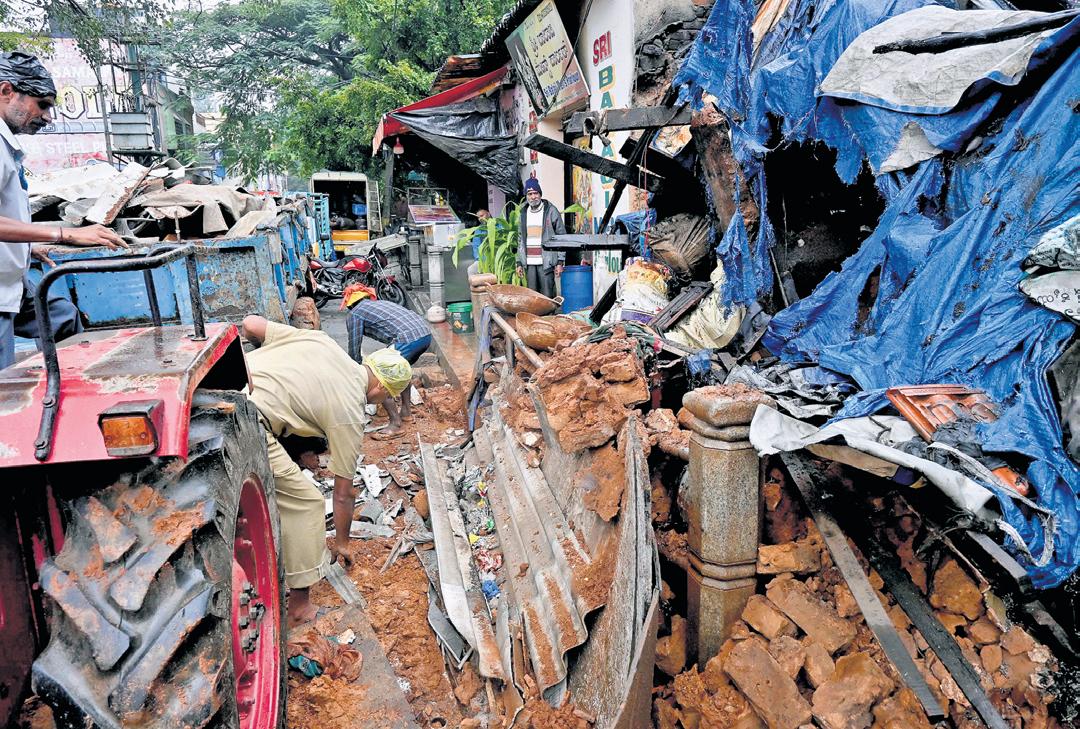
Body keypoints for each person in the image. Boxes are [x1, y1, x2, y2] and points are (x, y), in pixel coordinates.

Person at [241, 315, 411, 627]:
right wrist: (343, 542)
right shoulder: (350, 411)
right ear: (380, 389)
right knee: (307, 501)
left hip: (228, 392)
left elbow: (251, 324)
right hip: (250, 422)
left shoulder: (321, 341)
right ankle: (300, 605)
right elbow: (343, 494)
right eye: (386, 395)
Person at [0, 51, 127, 369]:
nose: (47, 117)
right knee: (5, 392)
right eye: (41, 105)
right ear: (6, 91)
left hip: (12, 281)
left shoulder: (7, 146)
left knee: (62, 318)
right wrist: (65, 233)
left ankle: (69, 399)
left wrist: (28, 247)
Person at [345, 297, 431, 436]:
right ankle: (406, 412)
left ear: (350, 305)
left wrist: (358, 374)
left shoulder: (355, 313)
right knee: (400, 372)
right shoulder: (377, 304)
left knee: (383, 376)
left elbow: (354, 348)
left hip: (407, 338)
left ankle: (395, 423)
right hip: (425, 335)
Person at [515, 178, 565, 299]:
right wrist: (519, 262)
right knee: (533, 298)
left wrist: (560, 262)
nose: (533, 197)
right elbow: (520, 239)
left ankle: (549, 318)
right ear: (526, 196)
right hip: (529, 263)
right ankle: (535, 318)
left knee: (548, 297)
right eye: (530, 194)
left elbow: (562, 237)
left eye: (536, 193)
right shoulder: (523, 213)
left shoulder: (550, 211)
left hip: (546, 263)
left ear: (540, 194)